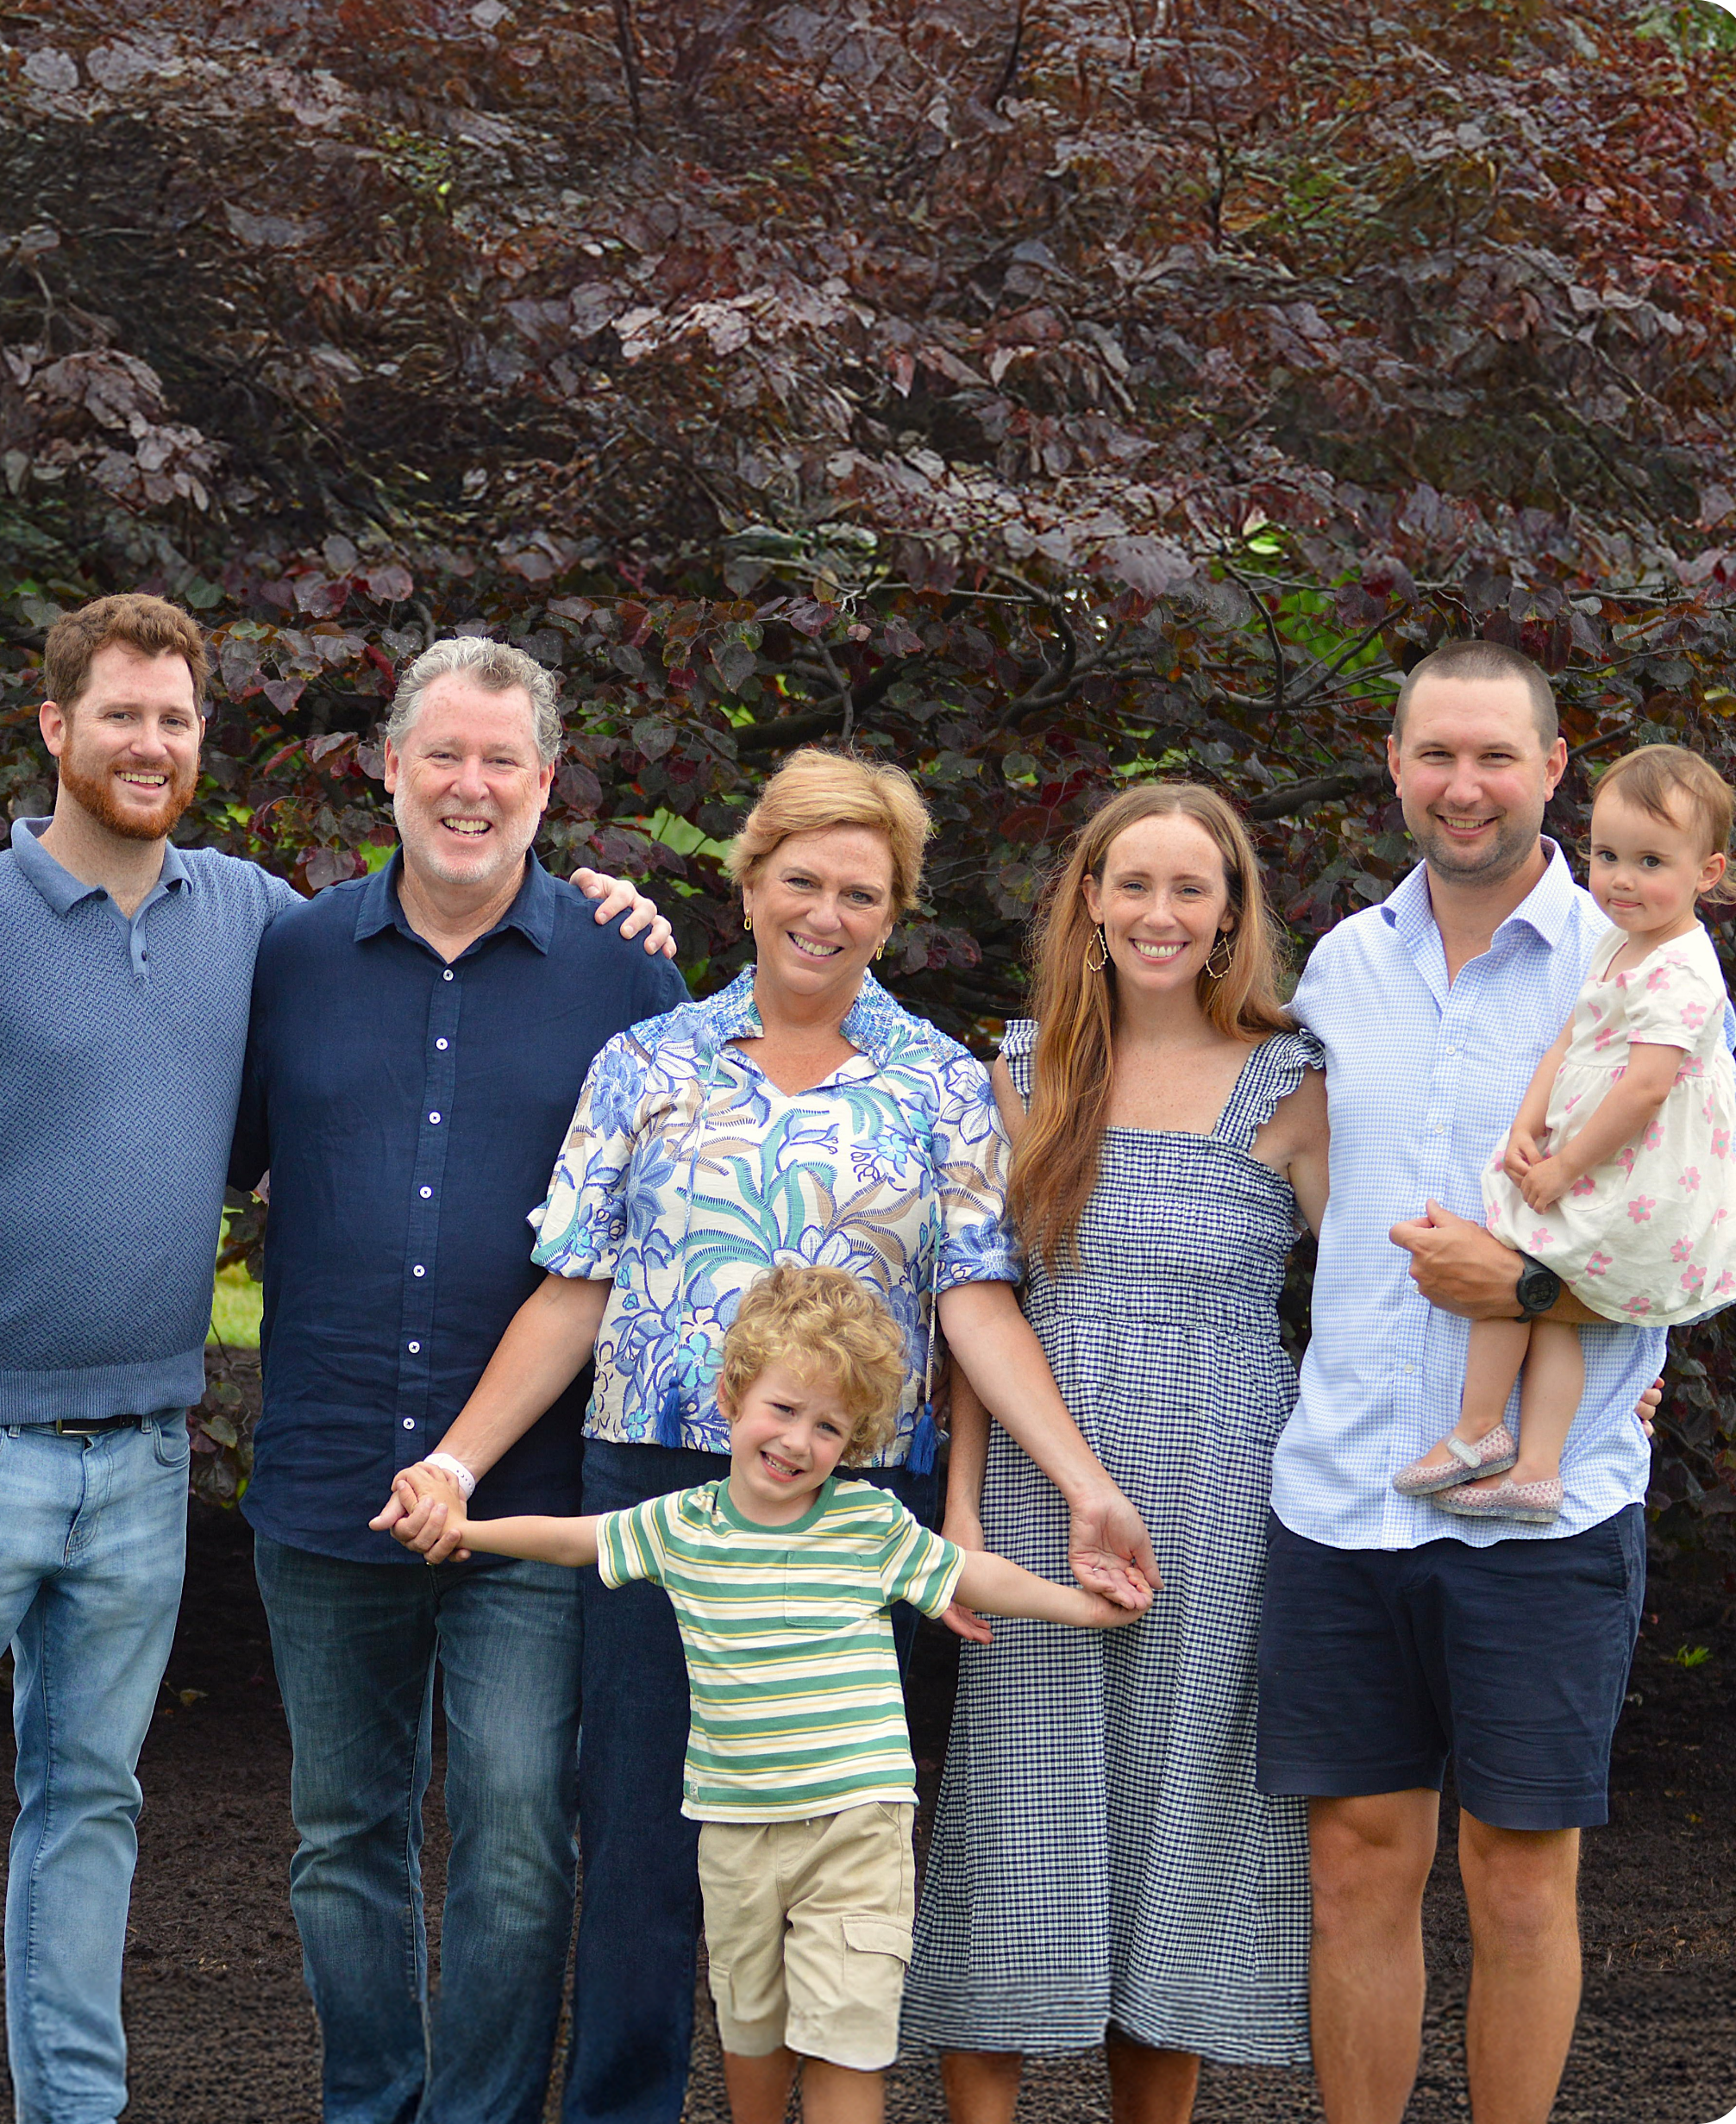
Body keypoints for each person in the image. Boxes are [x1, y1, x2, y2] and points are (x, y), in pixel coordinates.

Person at [0, 605, 667, 2124]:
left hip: (326, 1468)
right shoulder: (81, 930)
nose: (151, 743)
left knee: (164, 1807)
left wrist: (631, 907)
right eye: (121, 715)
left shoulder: (376, 944)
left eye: (177, 719)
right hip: (96, 1451)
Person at [381, 745, 1162, 2124]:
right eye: (803, 878)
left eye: (863, 890)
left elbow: (973, 1303)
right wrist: (458, 1458)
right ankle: (624, 2102)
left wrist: (1079, 1483)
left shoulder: (936, 1083)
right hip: (662, 1478)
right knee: (638, 1832)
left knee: (834, 1833)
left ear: (894, 909)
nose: (829, 911)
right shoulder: (647, 1061)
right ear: (750, 885)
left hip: (859, 1501)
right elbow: (577, 1287)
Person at [1257, 637, 1736, 2124]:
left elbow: (1699, 1212)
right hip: (1344, 1483)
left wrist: (1529, 1285)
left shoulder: (1644, 962)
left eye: (1491, 755)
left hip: (1543, 1499)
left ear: (1549, 768)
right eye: (1431, 753)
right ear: (1394, 766)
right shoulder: (1340, 964)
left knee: (1518, 1871)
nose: (1458, 784)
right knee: (1351, 1858)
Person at [229, 634, 689, 2124]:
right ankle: (374, 2100)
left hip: (532, 1499)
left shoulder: (627, 974)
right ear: (388, 767)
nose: (470, 785)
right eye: (443, 753)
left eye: (503, 759)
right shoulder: (291, 956)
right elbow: (213, 1159)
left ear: (548, 784)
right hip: (325, 1467)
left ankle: (481, 2114)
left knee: (510, 1830)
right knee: (338, 1830)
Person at [394, 1262, 1138, 2124]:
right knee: (752, 2039)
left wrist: (1080, 1604)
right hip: (737, 1834)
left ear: (854, 1440)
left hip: (856, 1828)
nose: (797, 1443)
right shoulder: (681, 1525)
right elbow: (570, 1540)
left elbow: (977, 1574)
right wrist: (464, 1528)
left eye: (828, 1428)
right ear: (734, 1397)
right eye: (783, 1411)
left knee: (848, 2038)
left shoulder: (869, 1525)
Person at [903, 783, 1330, 2124]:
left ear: (1228, 916)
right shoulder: (1022, 1074)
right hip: (1041, 1493)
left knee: (1182, 1832)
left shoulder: (1296, 1081)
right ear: (1088, 899)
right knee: (1013, 1825)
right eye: (1131, 883)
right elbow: (980, 1311)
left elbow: (1381, 1299)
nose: (1158, 912)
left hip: (1223, 1491)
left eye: (1189, 889)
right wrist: (962, 1516)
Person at [1395, 743, 1736, 1525]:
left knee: (1511, 1264)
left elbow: (1648, 1087)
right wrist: (1527, 1126)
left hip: (1627, 1173)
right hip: (1589, 1155)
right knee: (1549, 1304)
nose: (1621, 878)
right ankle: (1537, 1468)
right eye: (1608, 854)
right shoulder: (1620, 943)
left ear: (1708, 872)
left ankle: (1479, 1429)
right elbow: (1571, 1040)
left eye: (1651, 860)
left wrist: (1564, 1170)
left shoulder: (1684, 967)